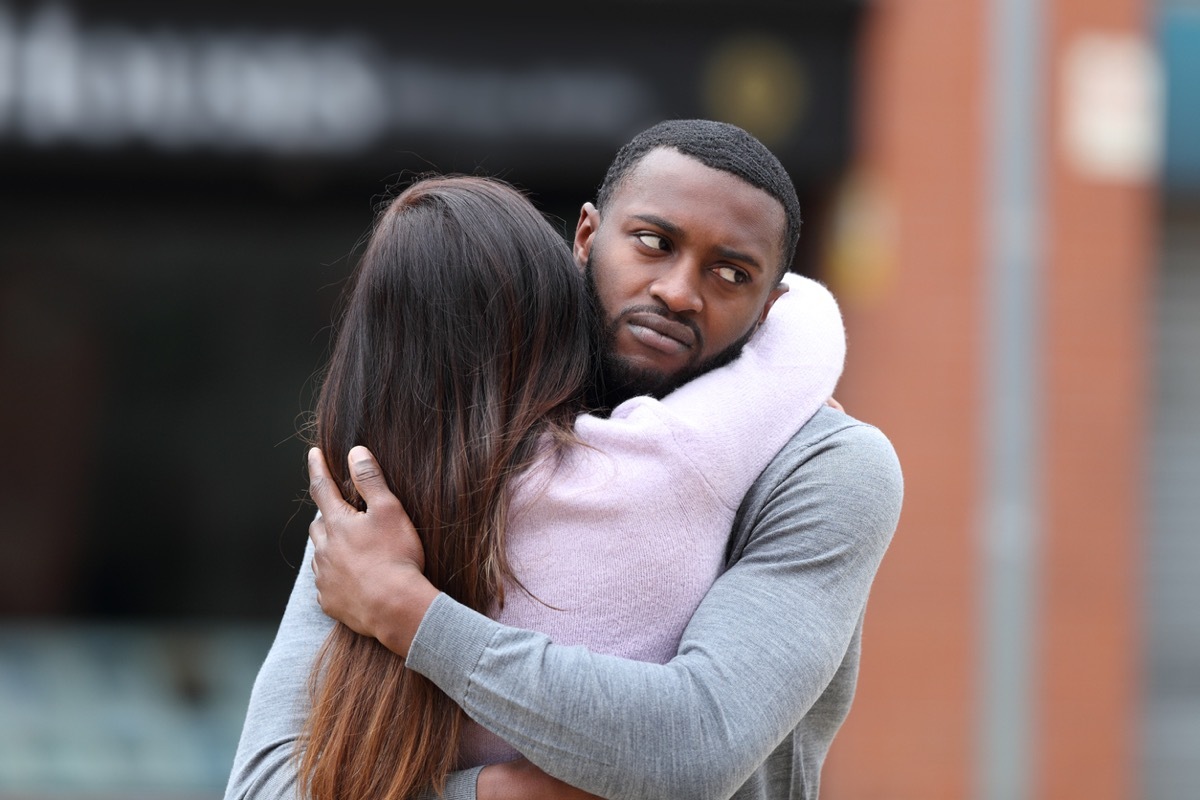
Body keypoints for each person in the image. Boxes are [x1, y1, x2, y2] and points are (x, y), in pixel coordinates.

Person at [226, 119, 902, 800]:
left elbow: (696, 745)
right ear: (586, 237)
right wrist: (497, 794)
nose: (677, 291)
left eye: (732, 274)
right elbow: (262, 787)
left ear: (767, 310)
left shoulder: (822, 468)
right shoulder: (458, 418)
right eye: (652, 242)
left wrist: (410, 613)